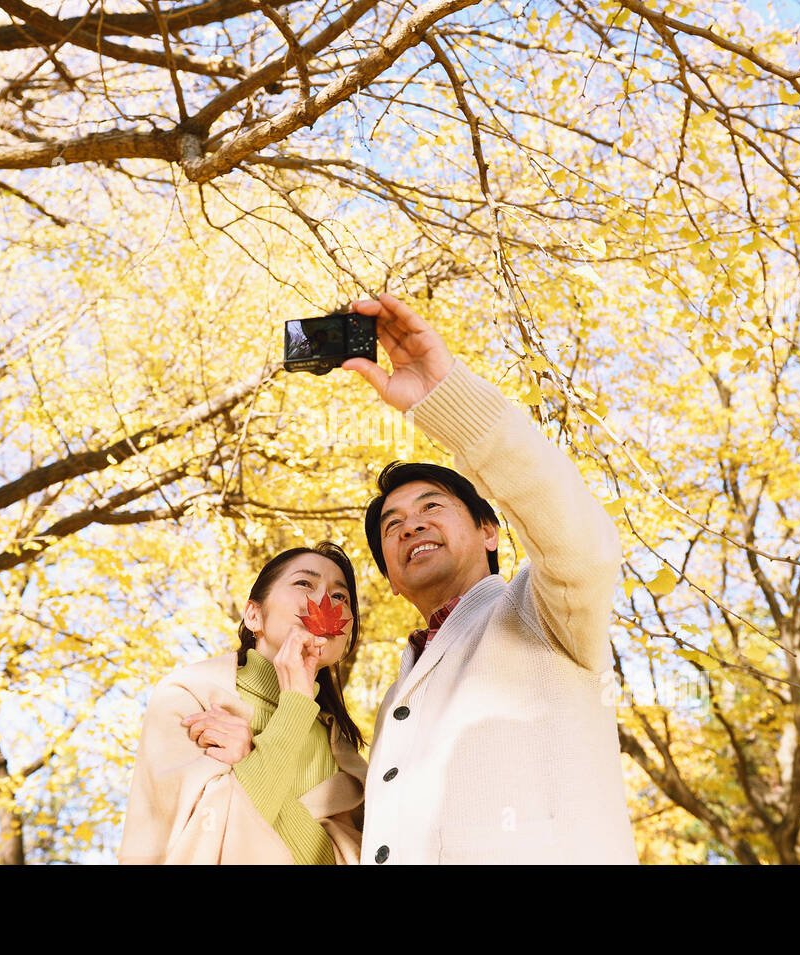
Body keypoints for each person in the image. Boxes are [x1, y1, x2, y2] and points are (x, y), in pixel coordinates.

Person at [337, 293, 639, 864]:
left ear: (489, 532)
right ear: (394, 582)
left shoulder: (544, 613)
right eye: (393, 525)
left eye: (433, 507)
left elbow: (579, 538)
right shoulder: (396, 698)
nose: (411, 526)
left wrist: (446, 399)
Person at [117, 542, 367, 864]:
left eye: (340, 597)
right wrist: (294, 709)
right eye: (304, 583)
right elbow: (202, 836)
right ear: (253, 615)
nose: (324, 602)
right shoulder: (187, 698)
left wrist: (249, 761)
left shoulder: (345, 755)